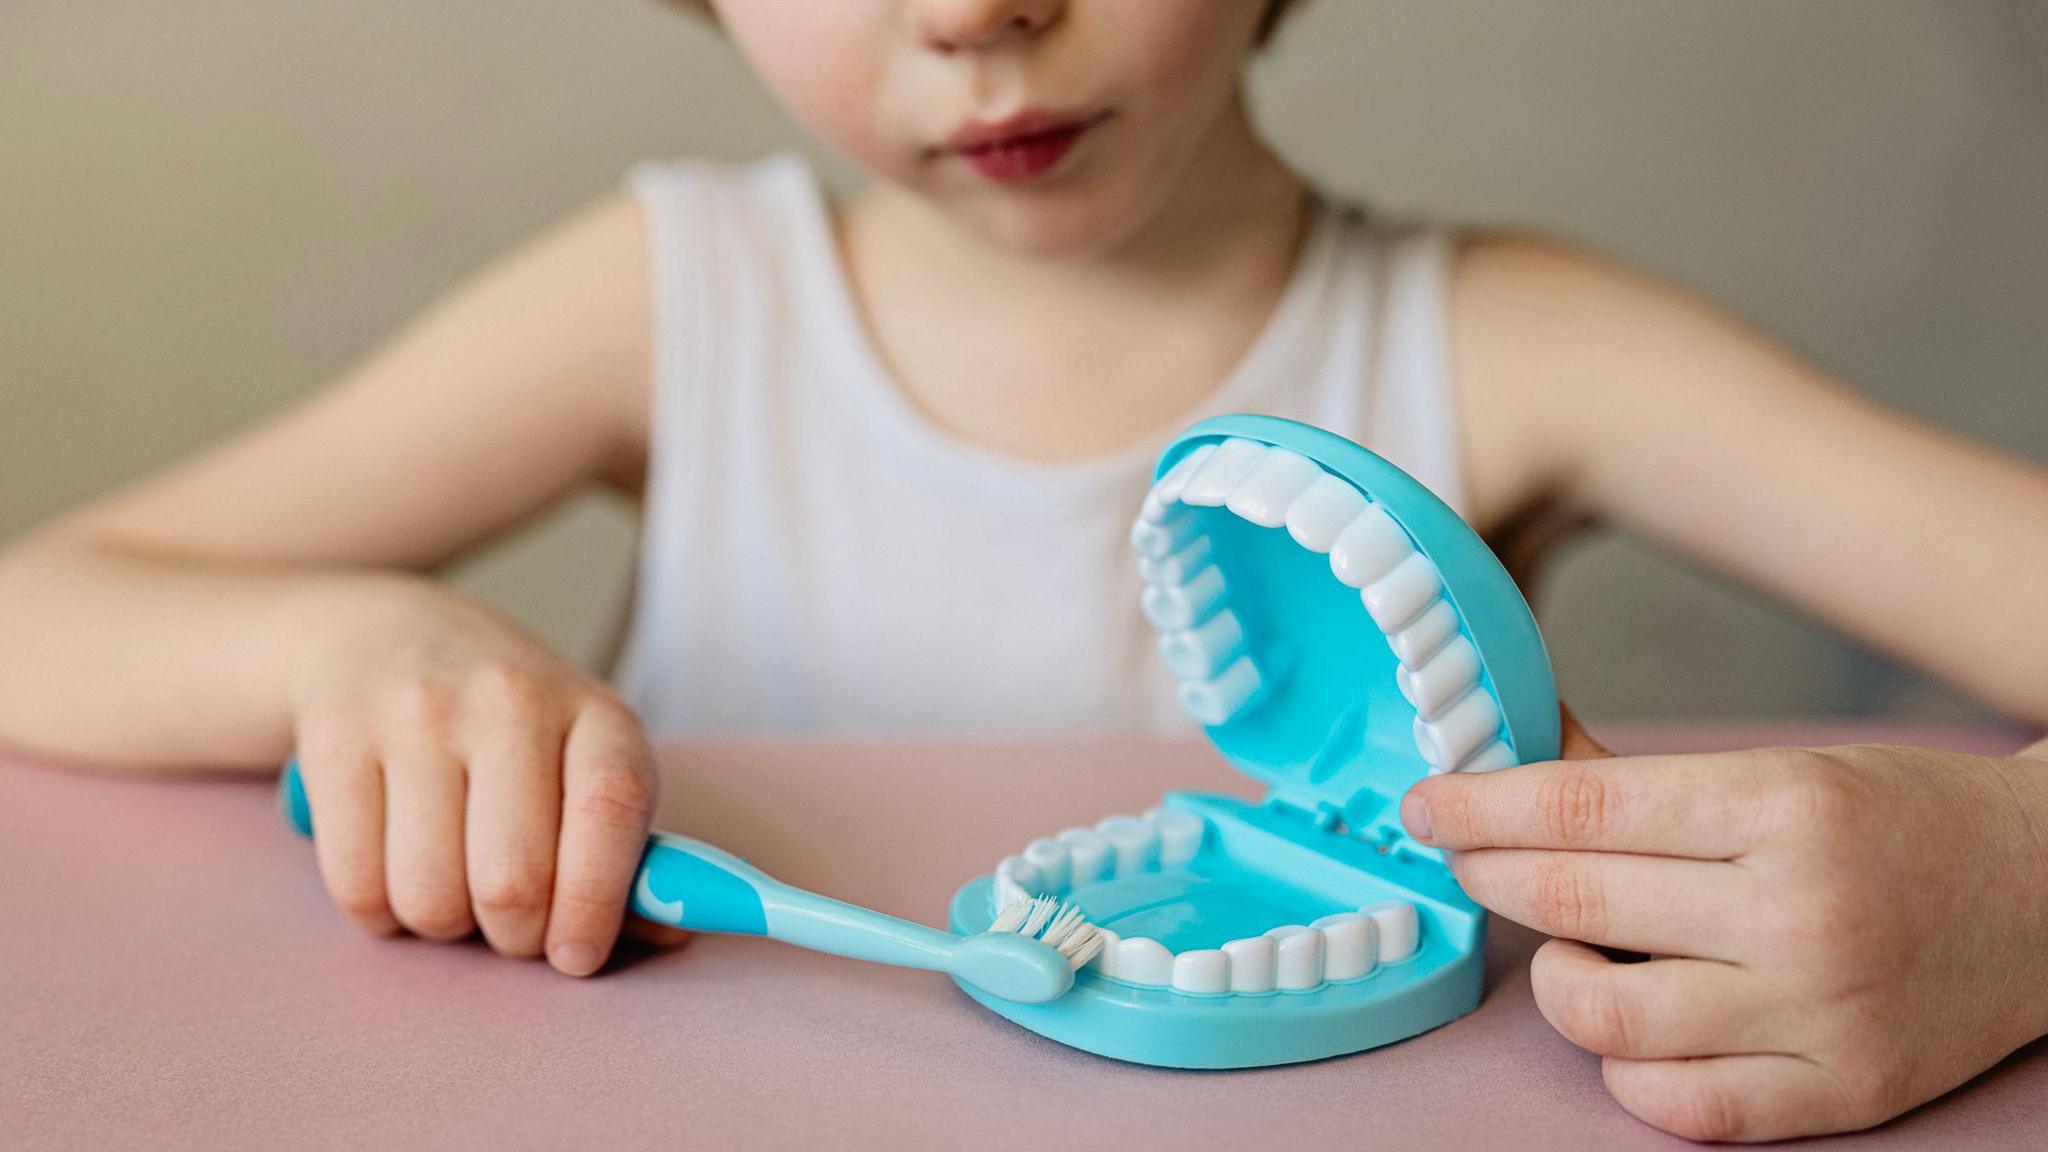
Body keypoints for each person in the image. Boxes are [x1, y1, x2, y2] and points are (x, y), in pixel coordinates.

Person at [0, 1, 2043, 1140]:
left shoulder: (1523, 338)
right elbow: (42, 602)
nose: (976, 8)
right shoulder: (670, 299)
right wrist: (361, 633)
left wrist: (2020, 888)